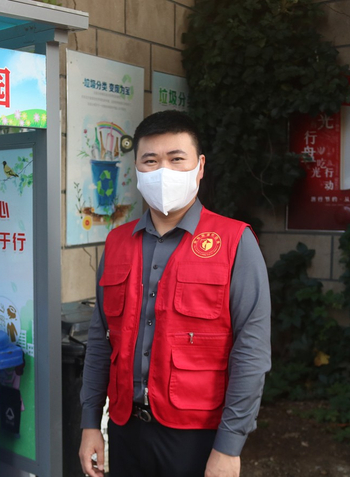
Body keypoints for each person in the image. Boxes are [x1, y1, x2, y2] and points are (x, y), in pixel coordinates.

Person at [78, 110, 271, 477]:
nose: (163, 171)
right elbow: (101, 340)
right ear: (137, 170)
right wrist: (90, 424)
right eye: (150, 160)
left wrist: (229, 447)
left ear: (200, 167)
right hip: (125, 429)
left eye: (176, 158)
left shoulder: (234, 242)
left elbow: (252, 351)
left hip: (195, 436)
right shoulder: (117, 243)